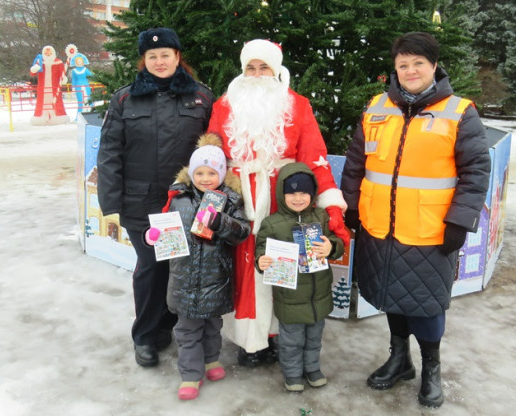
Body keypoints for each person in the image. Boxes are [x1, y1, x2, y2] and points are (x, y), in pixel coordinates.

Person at [340, 32, 490, 408]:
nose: (410, 71)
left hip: (430, 231)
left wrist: (460, 221)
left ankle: (431, 369)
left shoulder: (459, 111)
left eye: (418, 64)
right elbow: (356, 163)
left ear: (434, 66)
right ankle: (399, 358)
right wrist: (352, 206)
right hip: (379, 226)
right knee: (393, 295)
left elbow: (476, 171)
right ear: (395, 68)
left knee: (426, 304)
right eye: (403, 64)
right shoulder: (376, 107)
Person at [207, 39, 349, 367]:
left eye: (264, 67)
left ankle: (273, 335)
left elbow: (314, 157)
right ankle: (247, 341)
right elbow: (212, 155)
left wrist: (327, 201)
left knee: (279, 263)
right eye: (250, 68)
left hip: (283, 198)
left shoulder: (297, 105)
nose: (257, 75)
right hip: (239, 197)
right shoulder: (224, 105)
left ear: (277, 70)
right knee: (244, 267)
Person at [97, 27, 215, 368]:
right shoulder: (124, 99)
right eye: (152, 56)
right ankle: (146, 336)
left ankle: (174, 328)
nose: (159, 61)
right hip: (142, 204)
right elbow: (109, 154)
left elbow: (213, 151)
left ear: (178, 58)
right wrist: (111, 203)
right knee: (151, 267)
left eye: (166, 55)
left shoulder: (202, 98)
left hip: (185, 204)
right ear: (143, 61)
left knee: (180, 265)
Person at [143, 135, 251, 400]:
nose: (205, 178)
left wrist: (220, 222)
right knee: (188, 330)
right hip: (185, 279)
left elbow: (242, 232)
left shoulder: (230, 200)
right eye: (199, 173)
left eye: (211, 173)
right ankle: (191, 375)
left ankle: (211, 360)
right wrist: (152, 235)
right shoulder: (178, 198)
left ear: (222, 174)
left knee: (213, 325)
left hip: (216, 279)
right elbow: (165, 228)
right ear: (191, 174)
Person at [255, 163, 345, 392]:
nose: (298, 198)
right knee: (291, 341)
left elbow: (338, 244)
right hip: (290, 297)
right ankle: (293, 374)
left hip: (318, 296)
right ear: (281, 194)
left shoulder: (321, 217)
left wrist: (331, 247)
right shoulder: (271, 224)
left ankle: (313, 368)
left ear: (312, 193)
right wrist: (261, 261)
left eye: (304, 192)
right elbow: (261, 251)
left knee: (314, 338)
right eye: (291, 193)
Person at [29, 45, 70, 125]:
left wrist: (63, 78)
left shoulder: (58, 62)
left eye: (50, 52)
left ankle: (58, 116)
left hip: (55, 88)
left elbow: (62, 73)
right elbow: (33, 73)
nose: (48, 54)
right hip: (42, 88)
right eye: (46, 52)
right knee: (43, 102)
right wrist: (34, 69)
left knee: (56, 102)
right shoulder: (40, 62)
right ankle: (41, 117)